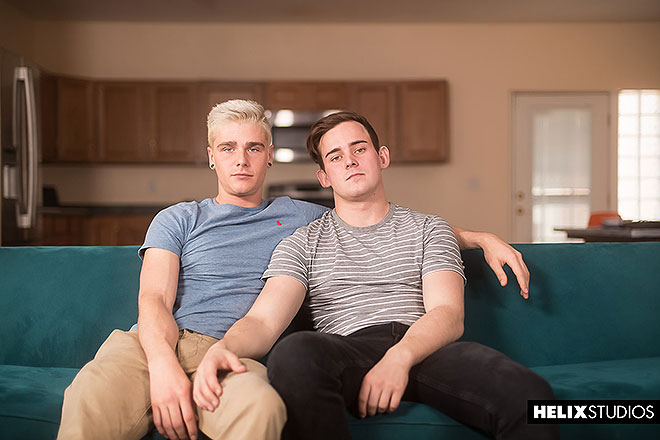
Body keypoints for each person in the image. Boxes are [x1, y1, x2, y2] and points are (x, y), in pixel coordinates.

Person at [58, 99, 530, 440]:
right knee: (89, 401)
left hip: (250, 354)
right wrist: (167, 363)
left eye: (253, 147)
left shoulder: (302, 218)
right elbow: (160, 301)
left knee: (531, 400)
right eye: (227, 148)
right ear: (211, 156)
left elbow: (380, 222)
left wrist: (479, 237)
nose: (241, 159)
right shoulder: (187, 219)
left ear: (269, 154)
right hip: (164, 343)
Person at [193, 111, 557, 440]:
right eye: (336, 156)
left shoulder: (430, 229)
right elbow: (262, 320)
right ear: (324, 176)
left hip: (426, 347)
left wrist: (399, 358)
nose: (350, 161)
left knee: (532, 397)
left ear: (382, 157)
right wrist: (223, 349)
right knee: (294, 354)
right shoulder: (302, 242)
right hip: (347, 351)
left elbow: (447, 313)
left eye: (359, 149)